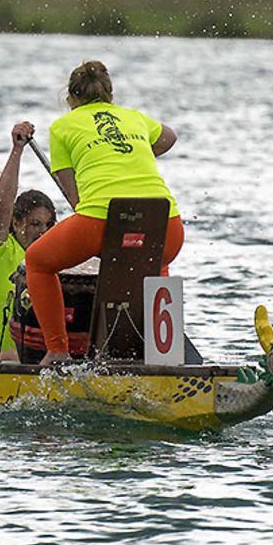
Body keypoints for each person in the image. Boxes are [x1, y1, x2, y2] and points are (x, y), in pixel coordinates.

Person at [25, 60, 181, 365]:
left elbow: (74, 199)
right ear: (111, 96)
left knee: (37, 261)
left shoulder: (61, 127)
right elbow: (170, 137)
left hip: (100, 221)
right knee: (154, 261)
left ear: (71, 98)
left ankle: (57, 350)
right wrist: (137, 151)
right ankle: (160, 352)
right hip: (169, 226)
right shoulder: (133, 116)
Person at [0, 122, 56, 359]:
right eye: (35, 224)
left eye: (48, 225)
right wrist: (17, 150)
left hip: (29, 360)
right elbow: (2, 206)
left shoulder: (53, 262)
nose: (43, 232)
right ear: (16, 223)